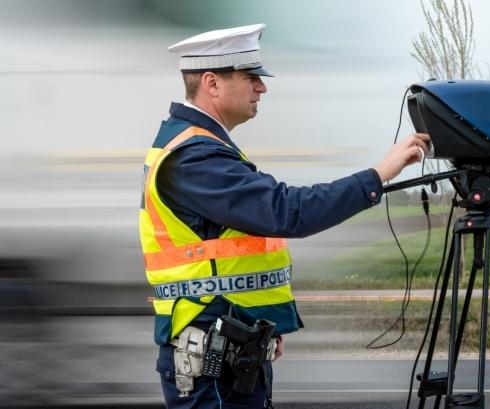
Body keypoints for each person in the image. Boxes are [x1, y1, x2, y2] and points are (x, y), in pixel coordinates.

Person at [139, 24, 430, 409]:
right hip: (213, 368)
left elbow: (224, 258)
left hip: (229, 353)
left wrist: (262, 322)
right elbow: (288, 211)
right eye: (251, 77)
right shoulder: (195, 157)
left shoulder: (202, 146)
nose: (262, 87)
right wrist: (378, 175)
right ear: (211, 83)